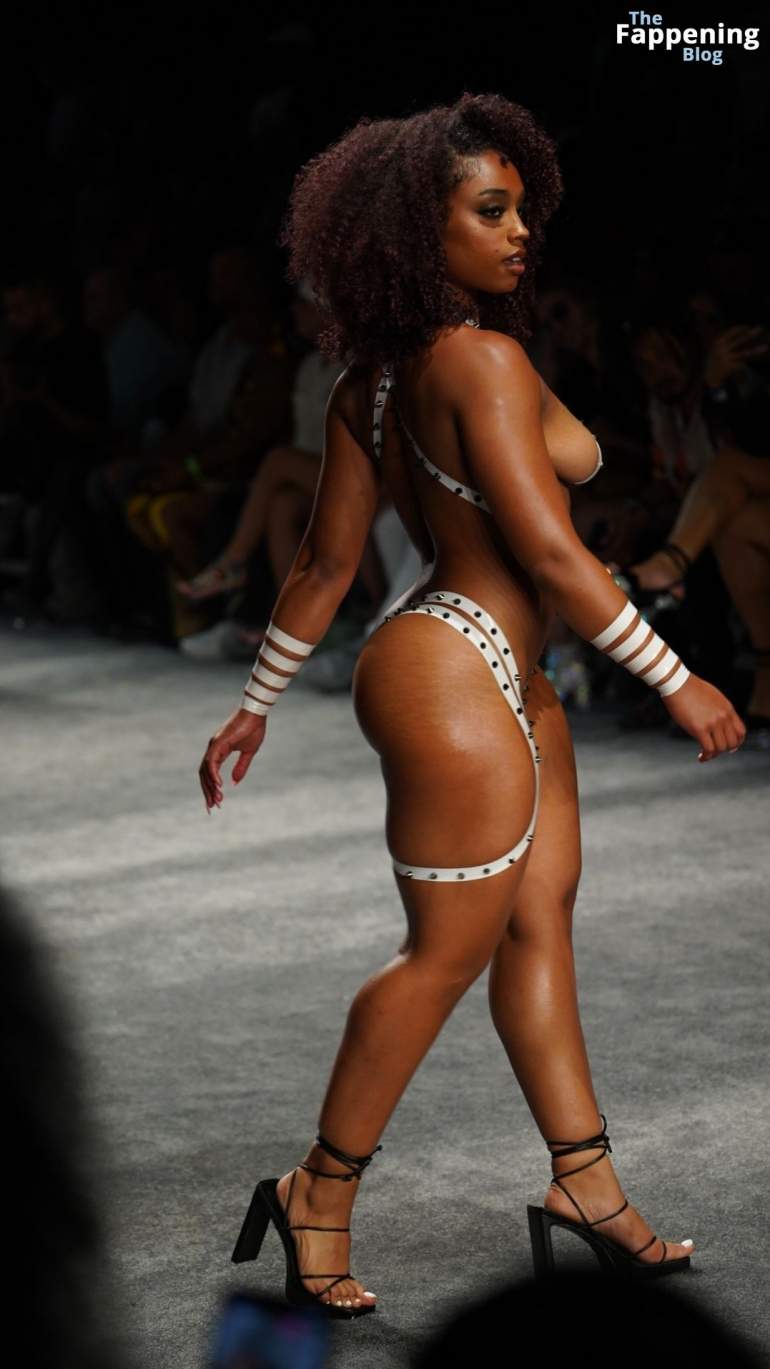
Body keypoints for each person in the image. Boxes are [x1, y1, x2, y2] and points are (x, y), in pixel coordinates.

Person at [198, 93, 745, 1319]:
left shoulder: (375, 382)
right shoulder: (481, 365)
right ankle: (314, 1192)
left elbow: (324, 567)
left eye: (521, 210)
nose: (517, 233)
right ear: (416, 232)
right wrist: (676, 677)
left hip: (480, 666)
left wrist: (254, 704)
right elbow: (551, 553)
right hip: (454, 666)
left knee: (537, 923)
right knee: (443, 954)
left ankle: (583, 1184)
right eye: (488, 212)